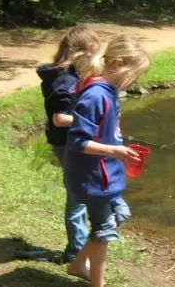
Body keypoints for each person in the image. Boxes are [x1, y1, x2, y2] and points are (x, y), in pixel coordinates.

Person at [64, 35, 150, 287]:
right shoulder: (95, 95)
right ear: (118, 63)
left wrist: (117, 145)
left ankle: (78, 264)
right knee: (103, 230)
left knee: (119, 216)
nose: (134, 81)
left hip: (107, 172)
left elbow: (106, 130)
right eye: (134, 75)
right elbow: (77, 141)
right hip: (92, 177)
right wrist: (116, 152)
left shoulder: (110, 91)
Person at [36, 26, 131, 264]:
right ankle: (76, 251)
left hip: (77, 143)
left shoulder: (72, 74)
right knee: (77, 198)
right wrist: (95, 122)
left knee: (90, 195)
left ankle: (88, 244)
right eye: (95, 53)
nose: (98, 59)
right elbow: (59, 119)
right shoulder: (64, 80)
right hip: (67, 144)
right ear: (82, 52)